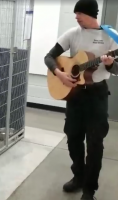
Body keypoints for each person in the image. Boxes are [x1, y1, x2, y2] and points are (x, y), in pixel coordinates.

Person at [44, 0, 118, 199]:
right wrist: (59, 73)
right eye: (75, 14)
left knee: (95, 143)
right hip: (75, 96)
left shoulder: (111, 36)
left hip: (97, 95)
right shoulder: (73, 33)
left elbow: (117, 70)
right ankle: (78, 177)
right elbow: (49, 57)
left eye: (80, 14)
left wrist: (110, 64)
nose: (76, 17)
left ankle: (89, 189)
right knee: (73, 137)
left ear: (92, 14)